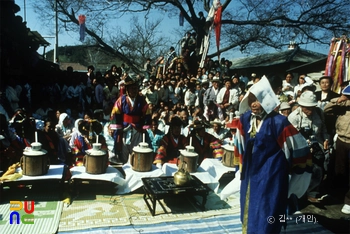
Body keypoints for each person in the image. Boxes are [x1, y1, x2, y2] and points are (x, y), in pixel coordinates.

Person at [234, 76, 312, 234]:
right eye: (251, 99)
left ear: (266, 100)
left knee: (268, 206)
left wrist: (294, 169)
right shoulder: (245, 119)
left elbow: (298, 145)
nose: (254, 104)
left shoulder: (279, 122)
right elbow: (239, 144)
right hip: (251, 172)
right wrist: (241, 167)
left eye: (258, 99)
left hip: (272, 172)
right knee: (249, 205)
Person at [288, 91, 330, 203]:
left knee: (318, 170)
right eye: (307, 108)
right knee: (301, 172)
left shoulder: (319, 113)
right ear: (301, 106)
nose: (310, 111)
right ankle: (297, 195)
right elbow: (291, 137)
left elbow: (324, 129)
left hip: (318, 147)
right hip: (301, 148)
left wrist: (326, 139)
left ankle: (312, 193)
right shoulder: (294, 117)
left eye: (312, 107)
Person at [110, 76, 152, 164]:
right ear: (127, 89)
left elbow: (147, 112)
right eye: (132, 88)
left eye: (135, 88)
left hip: (137, 129)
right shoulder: (121, 100)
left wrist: (144, 126)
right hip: (124, 129)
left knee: (137, 153)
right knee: (122, 151)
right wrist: (117, 127)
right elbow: (115, 112)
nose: (134, 90)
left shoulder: (142, 100)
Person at [324, 84, 350, 214]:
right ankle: (337, 195)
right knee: (339, 170)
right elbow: (326, 110)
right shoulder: (343, 106)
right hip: (341, 141)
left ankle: (348, 200)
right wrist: (338, 100)